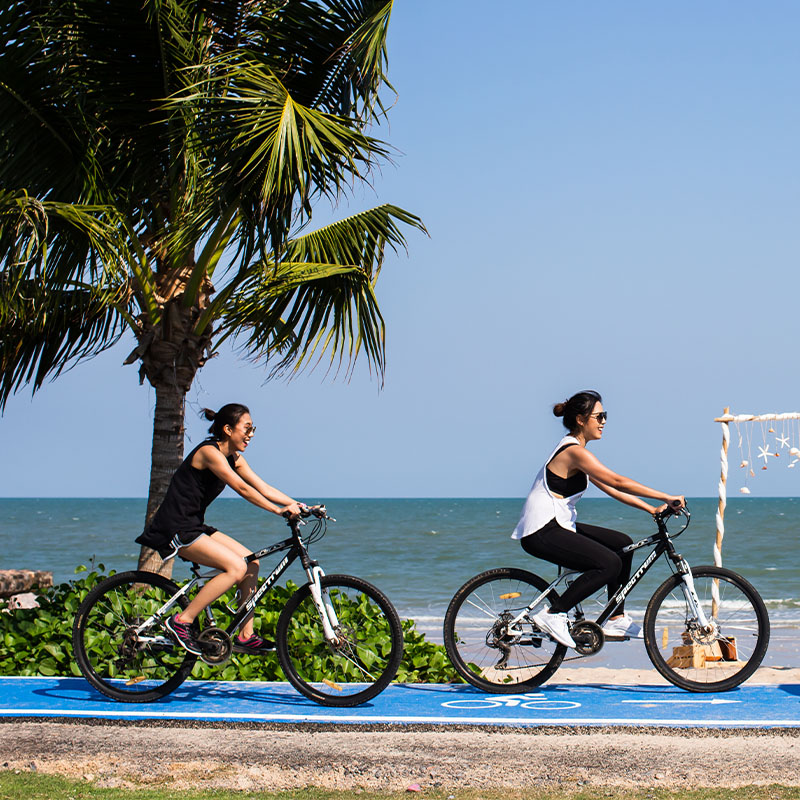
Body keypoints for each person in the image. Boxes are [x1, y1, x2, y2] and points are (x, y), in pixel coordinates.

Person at [512, 390, 685, 649]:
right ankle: (553, 614)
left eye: (605, 416)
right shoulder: (573, 451)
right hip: (541, 531)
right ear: (581, 420)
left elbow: (613, 490)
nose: (603, 421)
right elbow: (617, 480)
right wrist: (667, 495)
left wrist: (652, 509)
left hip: (558, 524)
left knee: (622, 544)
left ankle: (615, 616)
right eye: (599, 416)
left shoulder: (578, 453)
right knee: (608, 564)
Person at [135, 403, 304, 655]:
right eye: (247, 428)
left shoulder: (234, 457)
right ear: (227, 429)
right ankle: (182, 621)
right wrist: (278, 510)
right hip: (176, 528)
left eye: (253, 428)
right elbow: (242, 488)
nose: (251, 434)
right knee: (236, 567)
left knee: (252, 562)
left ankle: (246, 636)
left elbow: (262, 486)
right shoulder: (209, 453)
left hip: (195, 525)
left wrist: (297, 504)